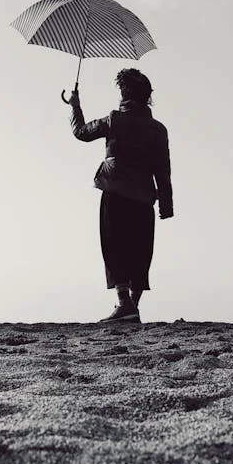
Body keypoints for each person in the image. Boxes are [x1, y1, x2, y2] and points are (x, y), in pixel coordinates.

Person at [68, 68, 173, 323]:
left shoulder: (114, 119)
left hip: (115, 192)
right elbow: (163, 170)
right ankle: (132, 307)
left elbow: (81, 132)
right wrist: (166, 205)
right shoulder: (158, 130)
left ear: (123, 94)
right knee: (140, 249)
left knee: (114, 246)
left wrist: (75, 105)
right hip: (144, 196)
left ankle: (125, 304)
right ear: (147, 97)